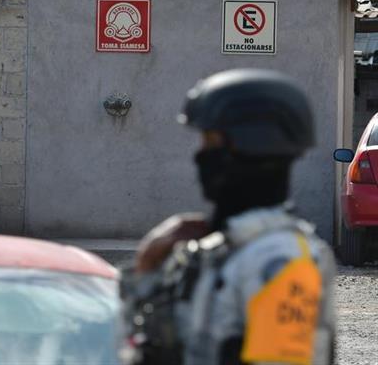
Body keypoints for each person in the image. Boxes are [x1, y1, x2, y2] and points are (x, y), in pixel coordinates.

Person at [122, 68, 336, 365]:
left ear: (255, 146)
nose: (200, 156)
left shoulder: (281, 260)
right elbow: (141, 339)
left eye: (211, 142)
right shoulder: (217, 250)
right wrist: (146, 263)